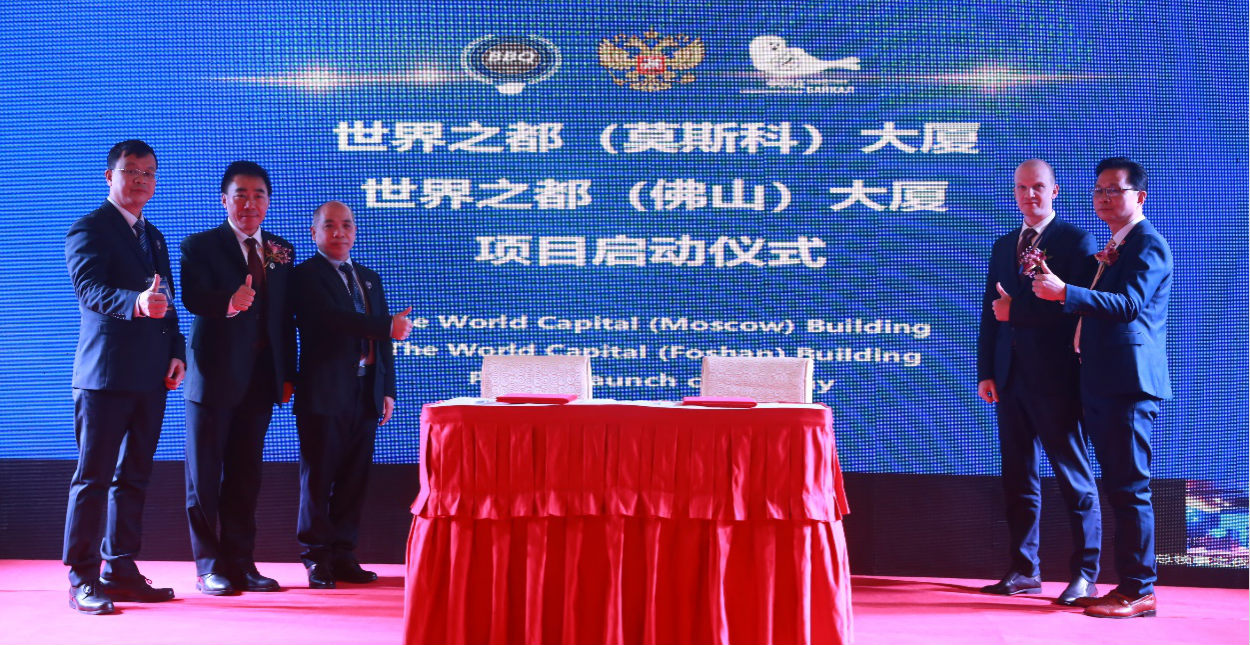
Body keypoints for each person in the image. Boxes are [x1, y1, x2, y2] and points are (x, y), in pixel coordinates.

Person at [1033, 157, 1171, 619]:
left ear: (1140, 197)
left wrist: (1066, 292)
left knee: (1130, 488)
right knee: (1119, 486)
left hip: (1127, 383)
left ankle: (1139, 590)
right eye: (1098, 190)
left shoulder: (1147, 244)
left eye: (1114, 190)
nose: (1104, 198)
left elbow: (1129, 305)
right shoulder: (1116, 245)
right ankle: (1127, 585)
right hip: (1102, 380)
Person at [63, 140, 186, 614]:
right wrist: (134, 302)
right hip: (105, 376)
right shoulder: (89, 228)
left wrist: (176, 352)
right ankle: (82, 577)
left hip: (151, 377)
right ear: (109, 176)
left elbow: (166, 299)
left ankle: (120, 568)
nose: (140, 180)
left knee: (134, 476)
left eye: (149, 173)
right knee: (93, 478)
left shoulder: (153, 236)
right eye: (131, 171)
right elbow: (89, 289)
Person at [976, 159, 1102, 605]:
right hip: (1009, 378)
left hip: (1056, 377)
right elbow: (992, 312)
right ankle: (1024, 569)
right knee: (1018, 476)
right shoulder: (1003, 244)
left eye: (1038, 187)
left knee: (1073, 475)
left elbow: (1078, 306)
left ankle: (1085, 574)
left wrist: (1018, 312)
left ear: (1055, 191)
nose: (1029, 195)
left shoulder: (1075, 241)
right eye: (1022, 188)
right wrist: (987, 371)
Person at [180, 161, 297, 595]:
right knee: (204, 476)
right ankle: (209, 566)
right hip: (213, 378)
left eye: (258, 195)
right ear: (224, 200)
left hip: (261, 381)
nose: (250, 204)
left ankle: (242, 562)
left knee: (246, 475)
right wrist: (229, 302)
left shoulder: (281, 250)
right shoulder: (200, 245)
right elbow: (192, 297)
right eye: (241, 195)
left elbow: (285, 319)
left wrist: (287, 374)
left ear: (268, 201)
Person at [291, 201, 412, 589]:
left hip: (365, 389)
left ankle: (344, 555)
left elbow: (384, 343)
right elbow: (331, 321)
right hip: (324, 391)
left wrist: (386, 390)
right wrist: (385, 325)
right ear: (314, 233)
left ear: (355, 232)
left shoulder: (369, 278)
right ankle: (316, 557)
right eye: (329, 225)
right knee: (319, 477)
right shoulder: (305, 276)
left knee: (354, 477)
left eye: (346, 225)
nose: (339, 232)